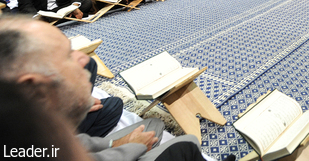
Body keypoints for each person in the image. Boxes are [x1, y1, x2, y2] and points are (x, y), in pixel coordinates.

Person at [0, 18, 214, 161]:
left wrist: (115, 142)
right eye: (67, 55)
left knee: (153, 124)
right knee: (187, 144)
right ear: (34, 88)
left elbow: (80, 142)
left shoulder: (32, 124)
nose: (84, 58)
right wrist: (132, 147)